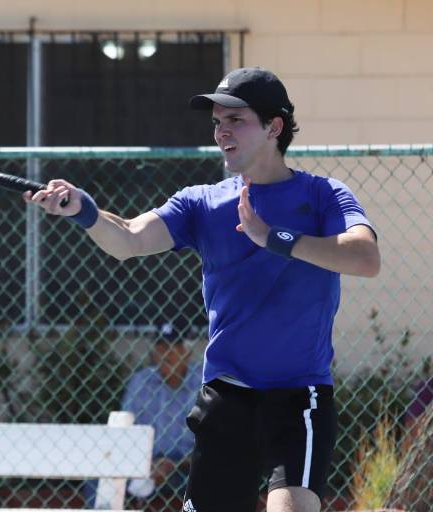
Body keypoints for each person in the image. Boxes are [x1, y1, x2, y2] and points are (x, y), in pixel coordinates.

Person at [24, 67, 381, 512]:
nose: (221, 132)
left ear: (274, 127)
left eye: (236, 120)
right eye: (217, 121)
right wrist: (85, 212)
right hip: (226, 398)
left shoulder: (324, 194)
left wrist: (273, 237)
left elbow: (365, 258)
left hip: (298, 399)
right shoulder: (201, 202)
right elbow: (131, 239)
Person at [84, 321, 202, 510]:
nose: (166, 354)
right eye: (161, 348)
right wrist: (147, 464)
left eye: (174, 348)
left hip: (188, 467)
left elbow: (213, 439)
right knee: (96, 480)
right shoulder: (141, 381)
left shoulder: (203, 383)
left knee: (211, 478)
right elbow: (125, 435)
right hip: (144, 465)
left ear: (187, 353)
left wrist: (176, 464)